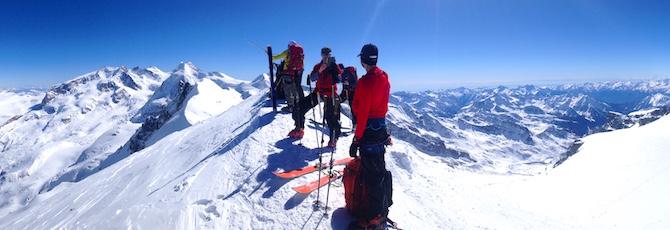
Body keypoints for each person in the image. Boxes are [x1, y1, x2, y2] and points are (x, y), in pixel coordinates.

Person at [348, 44, 392, 230]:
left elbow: (363, 113)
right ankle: (380, 210)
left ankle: (374, 218)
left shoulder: (365, 83)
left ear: (363, 60)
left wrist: (356, 139)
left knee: (372, 175)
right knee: (378, 171)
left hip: (368, 131)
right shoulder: (384, 77)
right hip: (380, 128)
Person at [288, 47, 342, 148]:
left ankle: (333, 138)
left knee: (331, 117)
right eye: (324, 54)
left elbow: (339, 80)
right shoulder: (318, 66)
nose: (326, 56)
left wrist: (335, 73)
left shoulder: (335, 66)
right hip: (318, 93)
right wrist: (320, 71)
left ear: (330, 55)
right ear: (322, 55)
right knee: (299, 107)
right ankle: (299, 128)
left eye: (328, 54)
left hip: (331, 94)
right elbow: (312, 78)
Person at [272, 41, 305, 112]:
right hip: (297, 73)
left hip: (288, 72)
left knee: (288, 90)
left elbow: (275, 57)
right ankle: (297, 105)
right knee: (295, 89)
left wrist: (270, 55)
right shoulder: (300, 51)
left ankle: (290, 106)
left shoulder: (288, 51)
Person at [339, 64, 358, 129]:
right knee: (336, 102)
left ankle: (355, 125)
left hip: (352, 92)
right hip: (346, 91)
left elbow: (355, 84)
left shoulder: (348, 73)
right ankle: (336, 121)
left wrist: (348, 84)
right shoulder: (343, 74)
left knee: (353, 108)